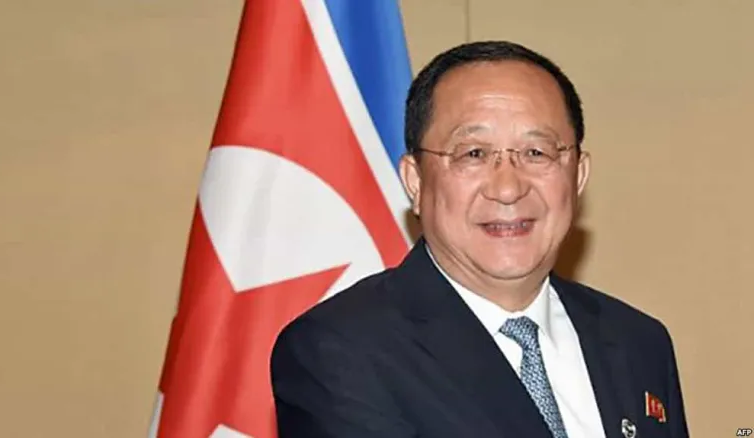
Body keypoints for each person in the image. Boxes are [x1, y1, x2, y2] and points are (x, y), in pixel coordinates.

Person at [270, 41, 690, 438]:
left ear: (578, 176)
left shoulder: (638, 342)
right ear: (415, 181)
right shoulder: (341, 350)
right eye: (473, 154)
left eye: (536, 153)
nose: (508, 188)